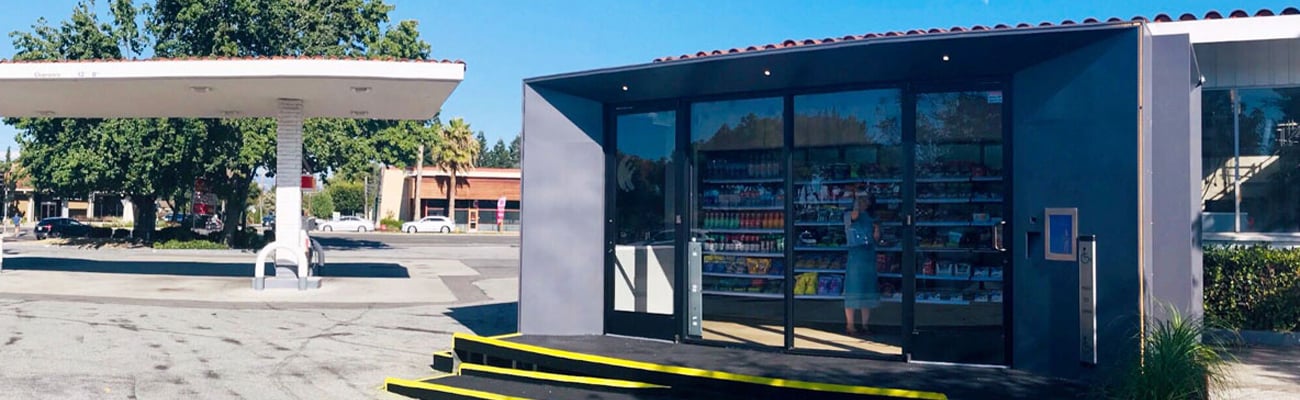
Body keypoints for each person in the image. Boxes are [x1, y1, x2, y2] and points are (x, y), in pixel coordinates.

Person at [843, 191, 881, 335]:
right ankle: (850, 325)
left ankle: (865, 325)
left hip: (869, 254)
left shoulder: (873, 217)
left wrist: (877, 228)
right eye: (862, 200)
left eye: (866, 200)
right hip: (855, 255)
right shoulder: (848, 215)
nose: (865, 203)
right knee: (853, 289)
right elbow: (854, 216)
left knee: (867, 289)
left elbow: (876, 238)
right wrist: (857, 201)